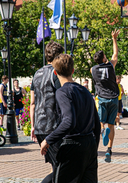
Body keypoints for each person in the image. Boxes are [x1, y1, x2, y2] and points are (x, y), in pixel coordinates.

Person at [40, 54, 100, 183]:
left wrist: (48, 140)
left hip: (73, 145)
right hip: (89, 143)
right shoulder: (85, 91)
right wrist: (93, 149)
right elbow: (97, 123)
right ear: (72, 71)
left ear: (55, 73)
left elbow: (69, 121)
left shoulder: (62, 92)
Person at [30, 41, 63, 176]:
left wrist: (33, 126)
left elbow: (32, 103)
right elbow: (62, 99)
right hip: (54, 126)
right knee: (60, 166)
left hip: (40, 126)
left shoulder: (37, 73)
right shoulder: (57, 73)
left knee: (54, 165)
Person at [90, 29, 120, 163]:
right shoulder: (111, 66)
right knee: (112, 125)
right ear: (103, 58)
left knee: (101, 122)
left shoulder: (93, 70)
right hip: (114, 98)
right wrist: (114, 38)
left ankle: (102, 130)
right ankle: (109, 150)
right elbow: (115, 54)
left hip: (102, 98)